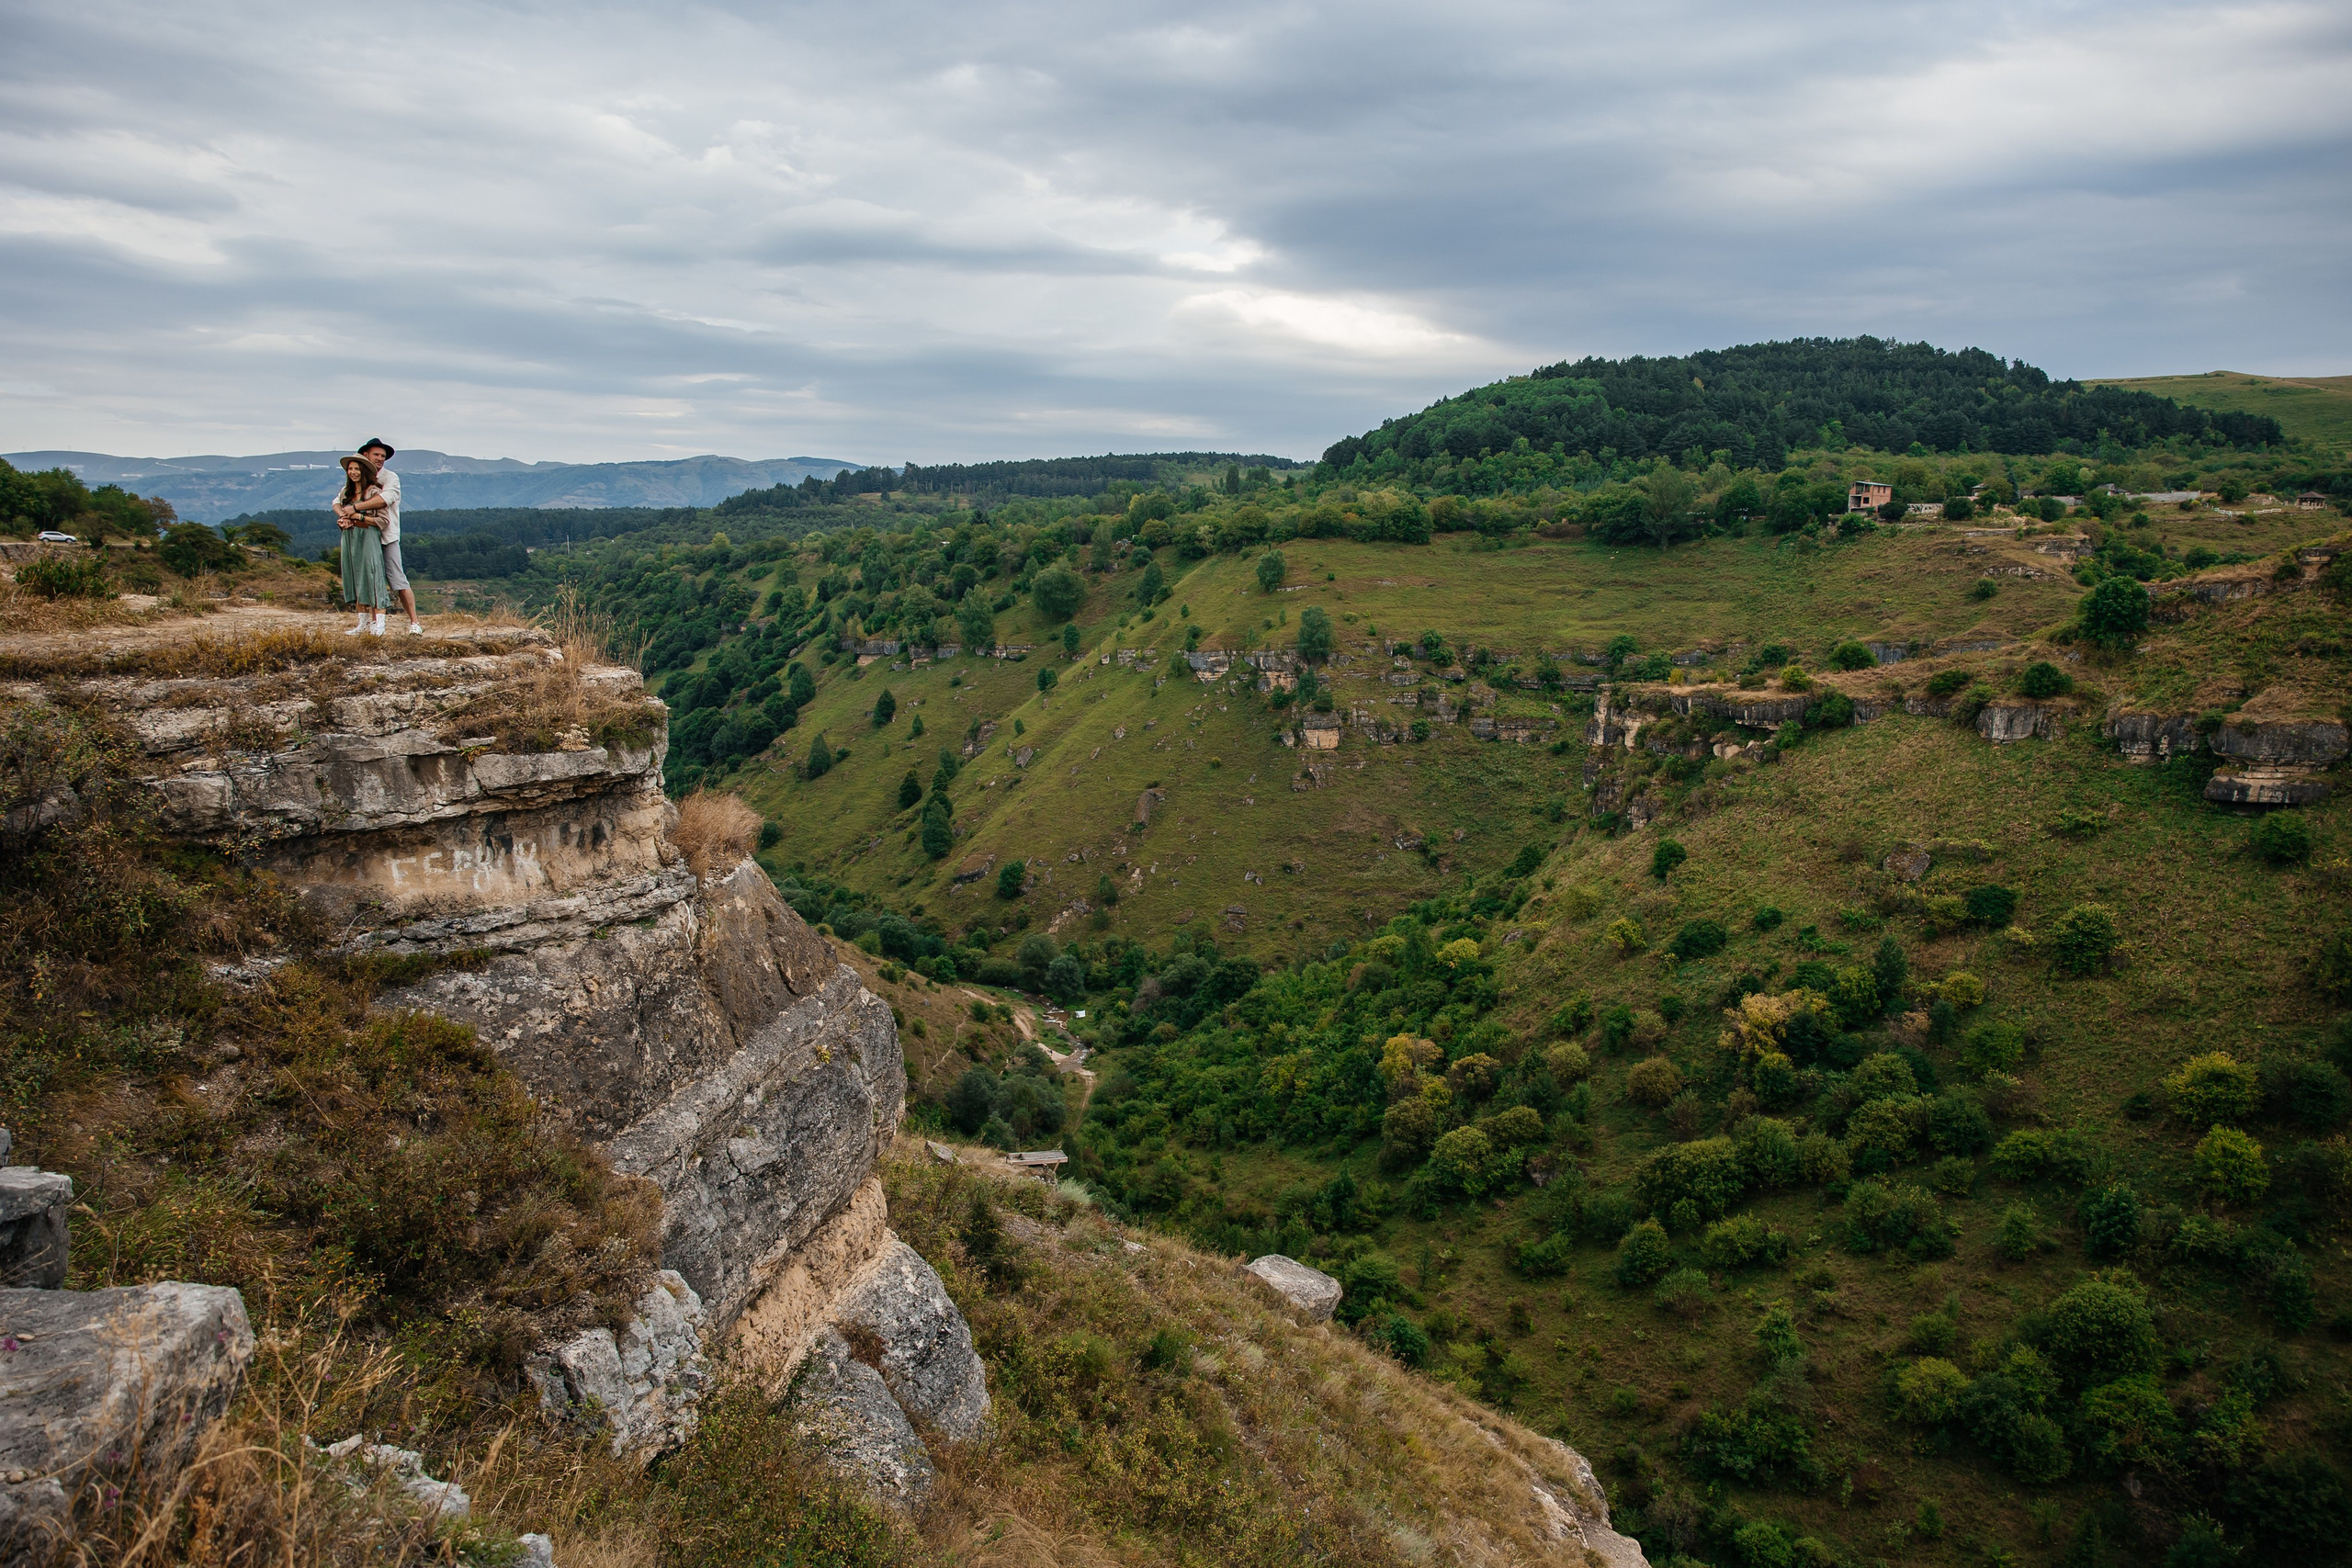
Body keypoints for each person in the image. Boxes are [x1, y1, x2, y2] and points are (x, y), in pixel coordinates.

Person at [356, 437, 423, 635]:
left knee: (398, 580)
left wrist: (355, 509)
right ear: (366, 455)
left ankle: (414, 623)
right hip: (365, 535)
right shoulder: (359, 476)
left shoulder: (390, 477)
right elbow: (340, 498)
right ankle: (367, 624)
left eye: (383, 456)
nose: (380, 459)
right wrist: (343, 514)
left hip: (387, 536)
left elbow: (385, 499)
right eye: (376, 454)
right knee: (366, 581)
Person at [333, 454, 390, 635]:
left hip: (368, 534)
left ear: (364, 471)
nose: (353, 472)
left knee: (372, 575)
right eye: (350, 469)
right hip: (350, 536)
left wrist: (358, 516)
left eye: (357, 469)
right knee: (355, 575)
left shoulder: (373, 492)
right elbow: (341, 512)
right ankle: (362, 623)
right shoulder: (346, 493)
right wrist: (343, 521)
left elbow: (383, 520)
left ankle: (379, 623)